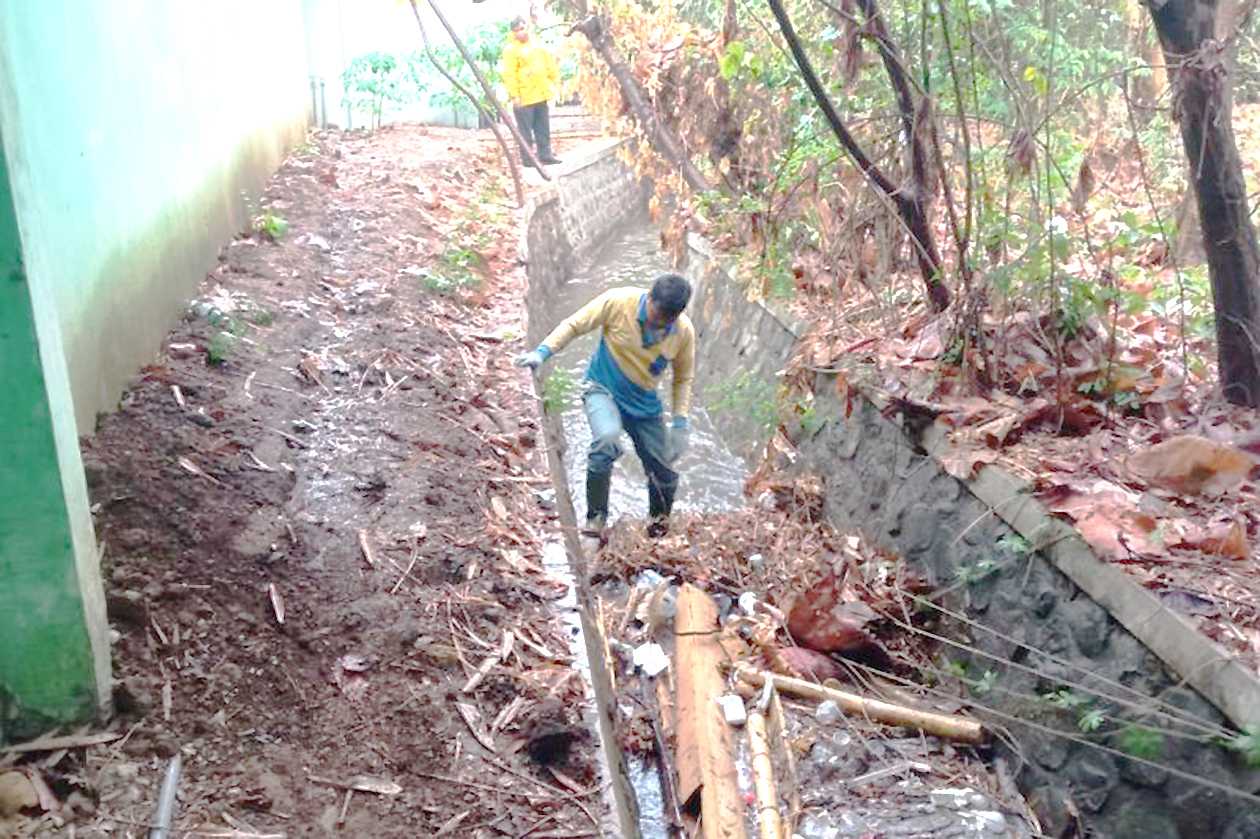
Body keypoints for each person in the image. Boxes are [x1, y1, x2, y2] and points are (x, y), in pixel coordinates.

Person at [515, 275, 696, 549]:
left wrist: (681, 422)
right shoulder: (618, 301)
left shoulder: (683, 332)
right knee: (607, 440)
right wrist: (543, 352)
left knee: (664, 471)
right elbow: (575, 325)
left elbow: (683, 378)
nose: (658, 324)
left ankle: (658, 531)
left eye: (666, 321)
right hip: (602, 389)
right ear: (650, 297)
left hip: (644, 402)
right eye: (656, 316)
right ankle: (595, 520)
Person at [500, 16, 561, 166]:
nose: (520, 33)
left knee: (543, 127)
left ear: (527, 27)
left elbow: (549, 65)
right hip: (524, 97)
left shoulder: (537, 45)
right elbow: (509, 74)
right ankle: (528, 159)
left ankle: (545, 154)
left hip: (540, 93)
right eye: (516, 31)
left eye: (522, 29)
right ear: (512, 33)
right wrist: (514, 96)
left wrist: (555, 83)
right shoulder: (511, 50)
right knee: (525, 131)